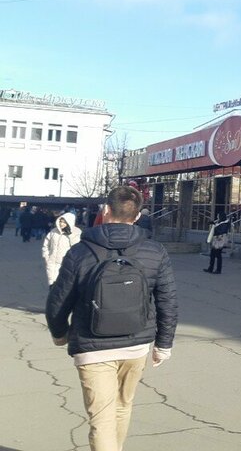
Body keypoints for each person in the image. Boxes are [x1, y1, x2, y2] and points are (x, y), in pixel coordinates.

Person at [46, 186, 178, 451]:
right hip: (136, 345)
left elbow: (58, 300)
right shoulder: (155, 251)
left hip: (92, 346)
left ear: (105, 211)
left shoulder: (80, 252)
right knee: (122, 407)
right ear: (137, 216)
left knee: (101, 418)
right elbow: (167, 300)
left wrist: (60, 333)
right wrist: (163, 344)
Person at [42, 212, 82, 285]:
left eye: (64, 222)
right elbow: (46, 245)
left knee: (63, 285)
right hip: (52, 263)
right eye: (60, 221)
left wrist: (70, 235)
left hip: (66, 265)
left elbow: (77, 248)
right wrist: (46, 256)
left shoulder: (77, 232)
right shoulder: (53, 231)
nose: (61, 224)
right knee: (51, 284)